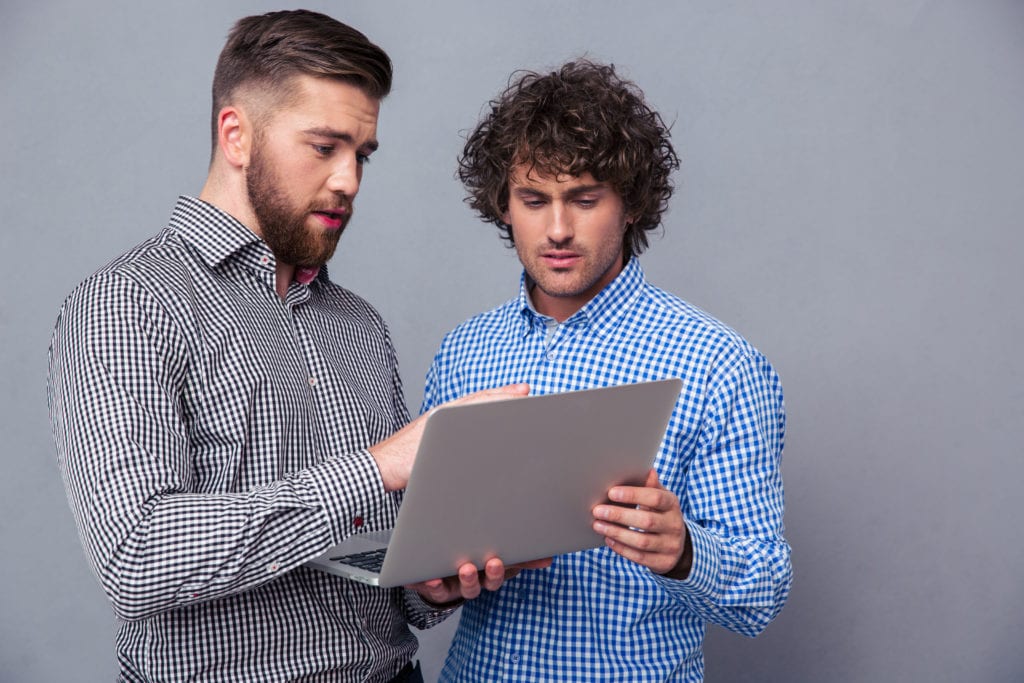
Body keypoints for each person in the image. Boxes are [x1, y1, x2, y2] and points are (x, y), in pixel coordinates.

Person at [46, 10, 536, 683]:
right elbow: (136, 556)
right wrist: (377, 467)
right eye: (324, 146)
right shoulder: (125, 306)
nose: (350, 181)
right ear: (236, 134)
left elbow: (380, 552)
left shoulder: (359, 324)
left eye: (361, 154)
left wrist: (427, 585)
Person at [421, 60, 793, 682]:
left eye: (585, 199)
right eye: (534, 201)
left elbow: (761, 595)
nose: (558, 229)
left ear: (630, 204)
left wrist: (683, 552)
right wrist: (436, 585)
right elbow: (423, 564)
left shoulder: (718, 364)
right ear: (504, 206)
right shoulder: (463, 352)